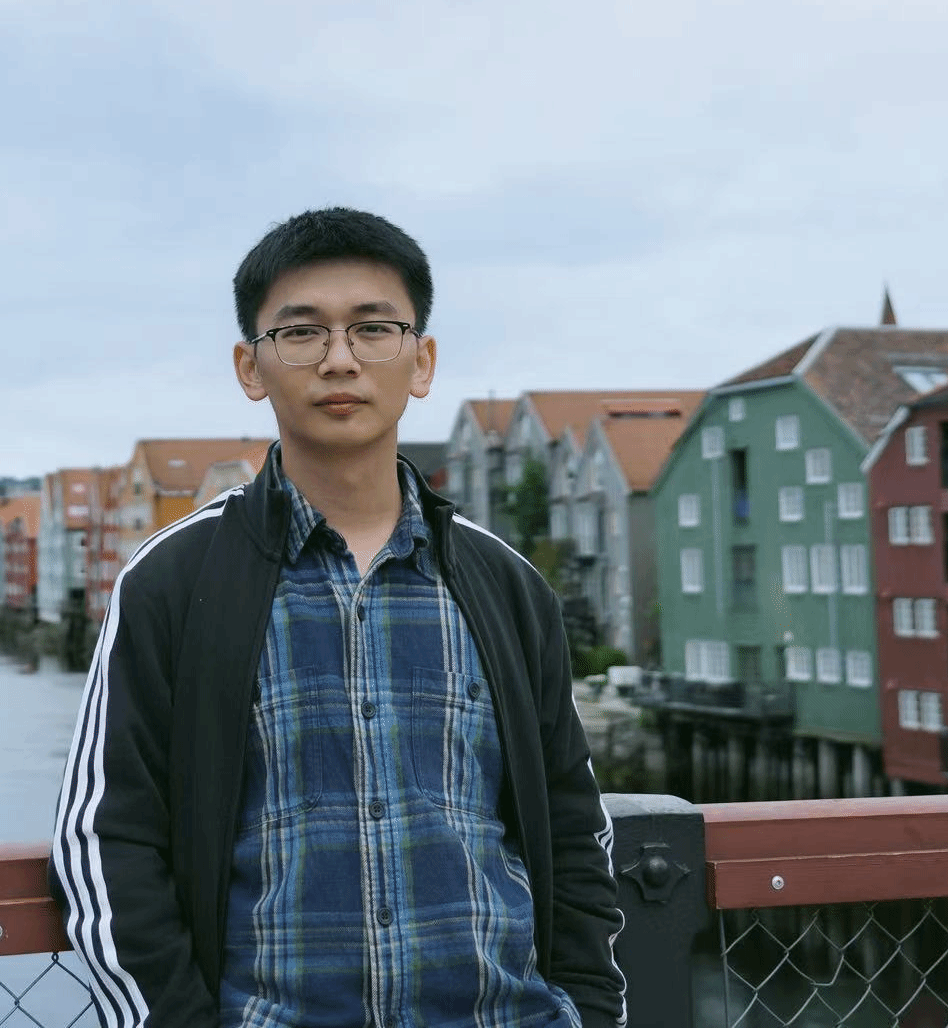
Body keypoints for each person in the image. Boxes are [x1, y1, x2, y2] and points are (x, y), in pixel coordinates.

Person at [51, 208, 626, 1028]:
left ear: (421, 361)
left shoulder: (504, 585)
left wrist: (591, 1010)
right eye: (301, 332)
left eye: (373, 328)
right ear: (251, 367)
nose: (340, 358)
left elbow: (573, 827)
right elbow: (106, 839)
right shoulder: (175, 582)